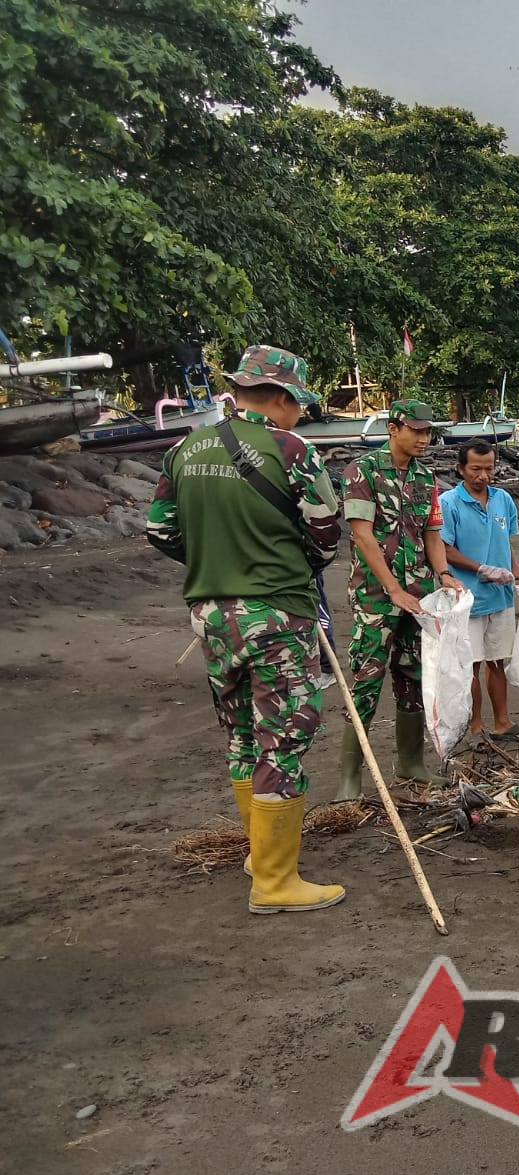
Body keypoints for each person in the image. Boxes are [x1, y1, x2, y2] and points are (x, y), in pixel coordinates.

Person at [146, 344, 345, 914]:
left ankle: (261, 856)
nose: (300, 414)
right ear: (280, 397)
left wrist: (218, 560)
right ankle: (276, 883)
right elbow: (325, 533)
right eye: (298, 404)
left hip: (211, 613)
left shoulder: (184, 447)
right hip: (277, 610)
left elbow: (159, 531)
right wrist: (277, 562)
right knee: (283, 737)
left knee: (240, 734)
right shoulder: (290, 449)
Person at [337, 399, 467, 800]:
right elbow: (362, 535)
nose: (425, 438)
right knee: (366, 679)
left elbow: (432, 532)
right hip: (376, 597)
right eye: (417, 430)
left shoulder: (426, 477)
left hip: (420, 597)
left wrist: (443, 574)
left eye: (428, 431)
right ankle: (349, 777)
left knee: (413, 676)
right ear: (393, 428)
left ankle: (411, 764)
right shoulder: (363, 471)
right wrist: (392, 588)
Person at [440, 440, 519, 744]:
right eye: (475, 469)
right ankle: (475, 727)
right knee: (471, 665)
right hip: (468, 598)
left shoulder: (503, 499)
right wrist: (481, 569)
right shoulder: (449, 503)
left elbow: (506, 543)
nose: (483, 475)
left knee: (497, 661)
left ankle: (502, 722)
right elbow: (444, 548)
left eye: (489, 468)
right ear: (461, 468)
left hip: (500, 595)